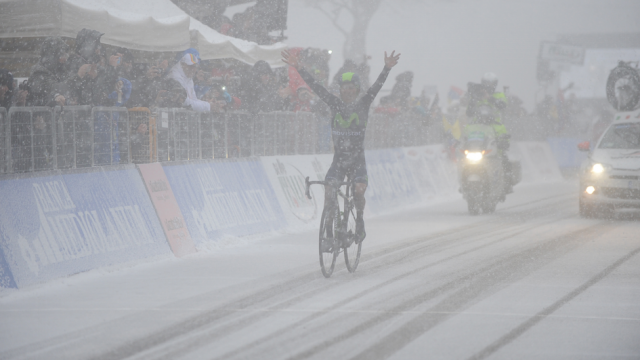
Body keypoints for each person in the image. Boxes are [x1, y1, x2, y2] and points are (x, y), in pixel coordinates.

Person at [282, 49, 401, 243]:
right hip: (338, 161)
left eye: (351, 87)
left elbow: (377, 87)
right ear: (340, 89)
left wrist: (386, 68)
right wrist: (299, 67)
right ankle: (329, 228)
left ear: (356, 89)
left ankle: (360, 220)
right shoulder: (334, 103)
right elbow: (316, 87)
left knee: (358, 191)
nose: (347, 90)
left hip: (357, 161)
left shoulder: (364, 103)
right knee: (329, 193)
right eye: (344, 87)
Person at [466, 72, 513, 194]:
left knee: (502, 155)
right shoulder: (476, 96)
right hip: (478, 129)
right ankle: (465, 178)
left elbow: (502, 105)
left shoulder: (499, 95)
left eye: (490, 84)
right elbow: (469, 113)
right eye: (485, 84)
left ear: (494, 85)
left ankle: (507, 181)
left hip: (495, 129)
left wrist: (489, 98)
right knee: (467, 152)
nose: (487, 87)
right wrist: (473, 97)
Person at [66, 28, 122, 106]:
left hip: (92, 113)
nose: (98, 49)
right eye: (95, 45)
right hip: (79, 114)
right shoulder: (74, 62)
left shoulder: (94, 65)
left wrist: (114, 81)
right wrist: (79, 76)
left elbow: (102, 90)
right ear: (86, 45)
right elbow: (68, 89)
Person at [25, 37, 70, 107]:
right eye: (62, 55)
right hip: (40, 116)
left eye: (66, 55)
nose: (65, 59)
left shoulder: (60, 71)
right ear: (53, 56)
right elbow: (51, 89)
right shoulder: (38, 73)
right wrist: (78, 77)